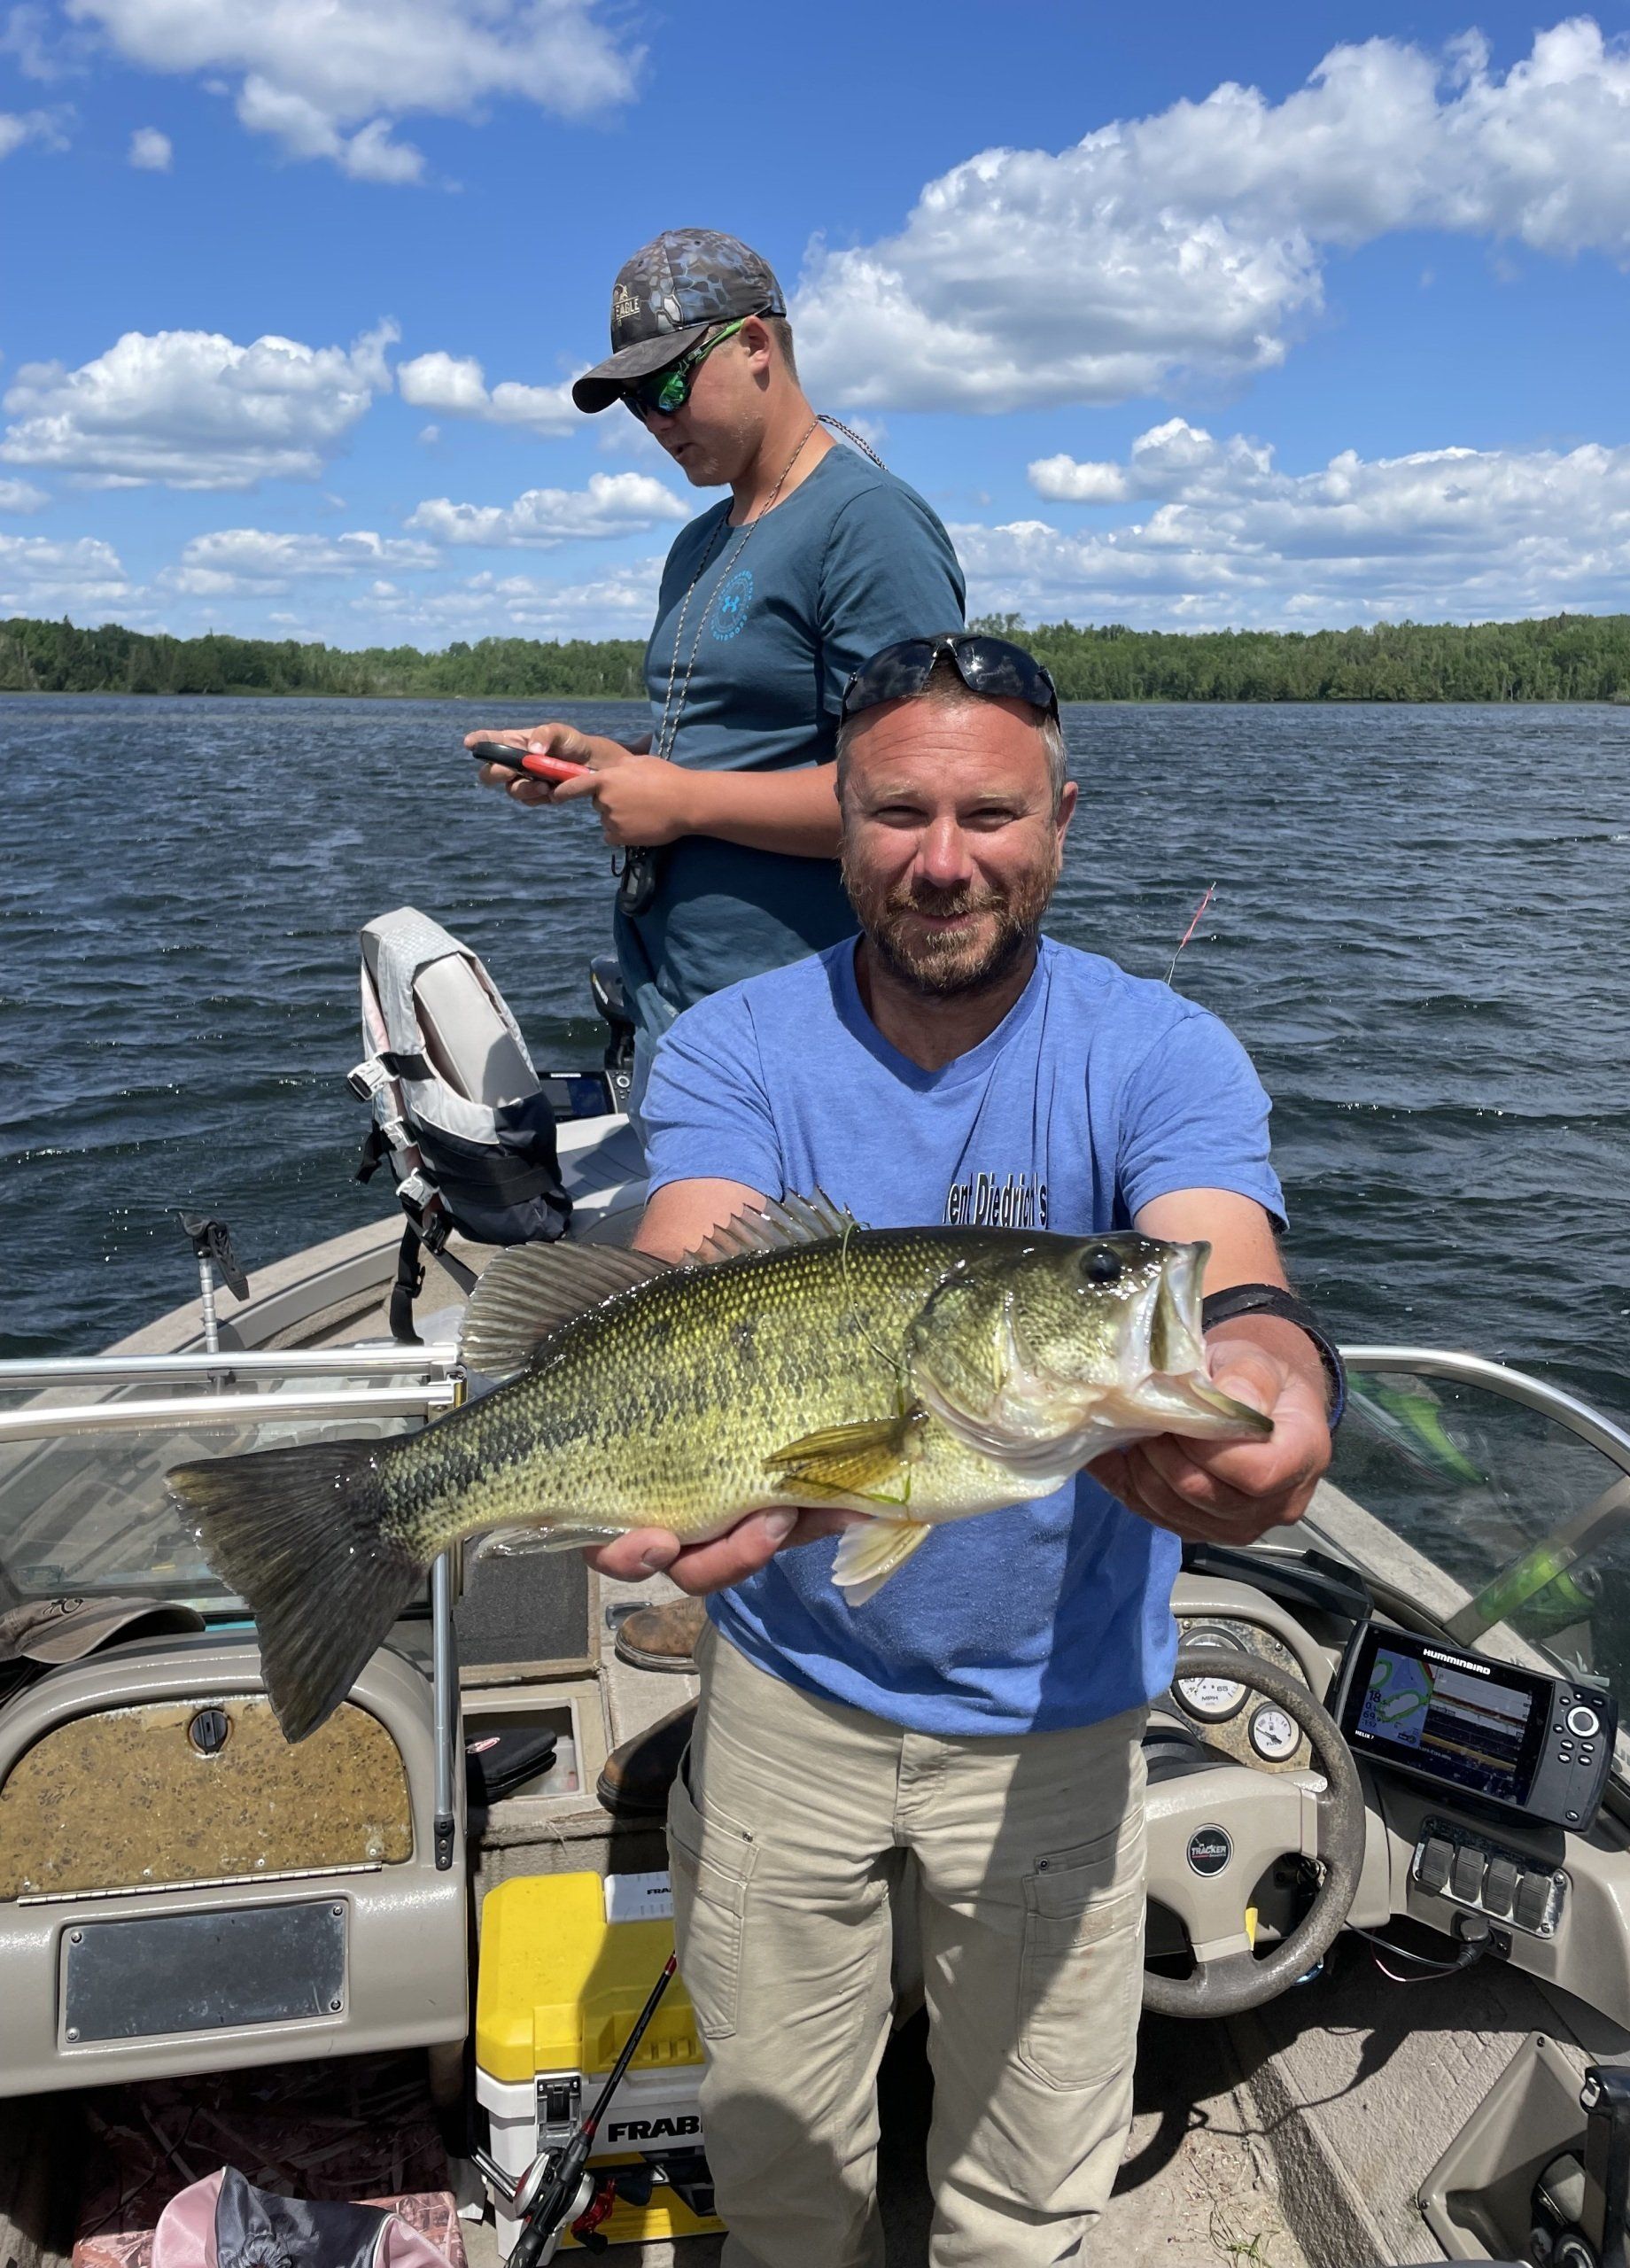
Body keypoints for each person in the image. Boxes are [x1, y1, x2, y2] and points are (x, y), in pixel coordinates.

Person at [585, 632, 1341, 2268]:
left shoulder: (1160, 1049)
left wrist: (1274, 1378)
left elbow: (1230, 1277)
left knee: (1031, 2187)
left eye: (990, 815)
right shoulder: (731, 1041)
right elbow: (692, 1262)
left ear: (1063, 818)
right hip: (790, 1699)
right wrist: (668, 1439)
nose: (944, 863)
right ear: (837, 827)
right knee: (782, 2168)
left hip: (1066, 1722)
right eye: (897, 817)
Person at [463, 229, 966, 1115]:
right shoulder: (698, 542)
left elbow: (917, 796)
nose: (655, 421)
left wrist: (682, 801)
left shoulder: (869, 526)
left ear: (758, 345)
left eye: (667, 386)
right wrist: (607, 762)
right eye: (632, 404)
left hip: (810, 1046)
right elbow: (725, 742)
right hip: (681, 1020)